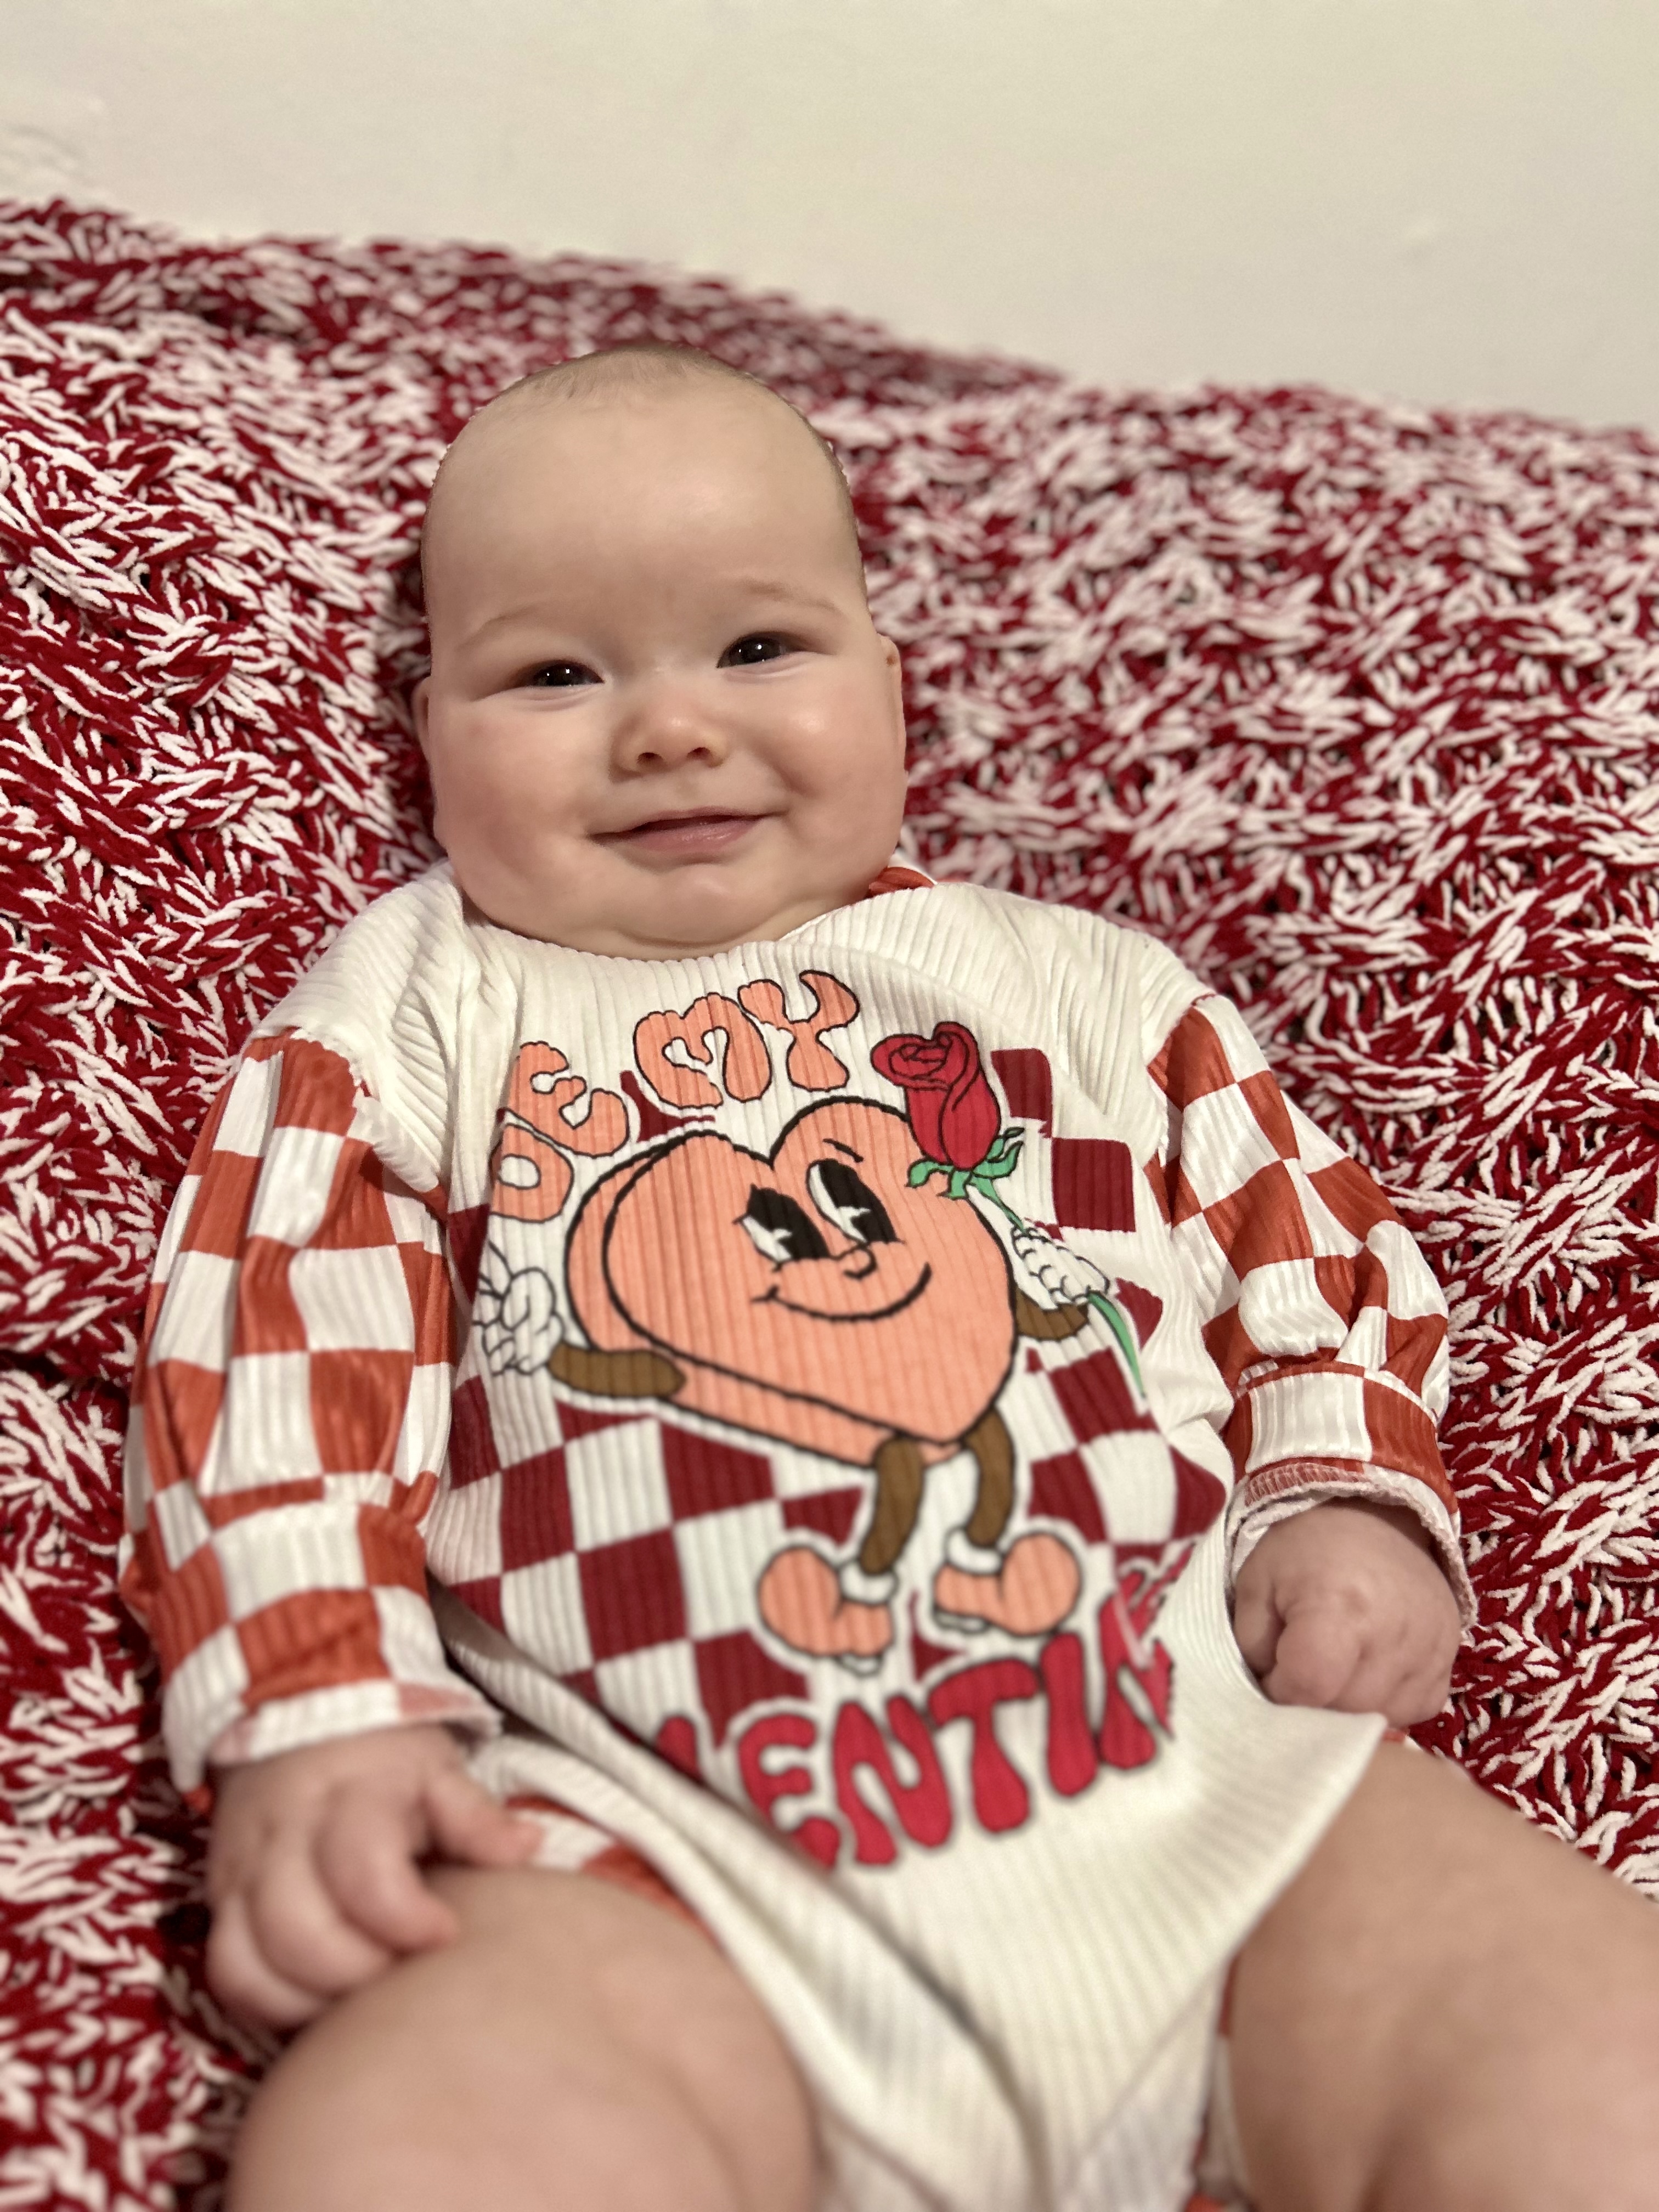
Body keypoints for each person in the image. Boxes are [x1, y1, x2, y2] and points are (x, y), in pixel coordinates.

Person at [121, 344, 1659, 2212]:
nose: (670, 728)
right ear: (427, 734)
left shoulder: (1082, 990)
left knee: (1598, 2066)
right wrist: (315, 1697)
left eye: (759, 647)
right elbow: (279, 1343)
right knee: (432, 2138)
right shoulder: (419, 1013)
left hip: (1209, 1774)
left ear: (894, 686)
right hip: (656, 1853)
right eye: (555, 675)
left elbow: (1302, 1250)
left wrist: (1341, 1491)